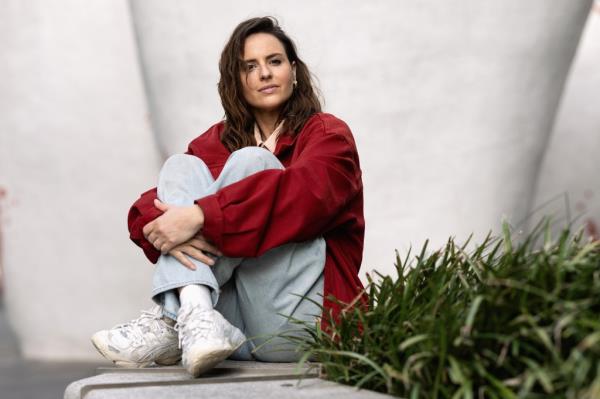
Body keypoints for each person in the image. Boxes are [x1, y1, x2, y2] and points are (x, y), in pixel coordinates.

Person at [91, 16, 365, 377]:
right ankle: (192, 311)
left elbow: (305, 195)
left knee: (253, 162)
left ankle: (171, 316)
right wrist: (165, 223)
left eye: (275, 61)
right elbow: (149, 205)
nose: (265, 73)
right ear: (237, 81)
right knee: (181, 166)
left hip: (293, 325)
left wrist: (201, 216)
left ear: (294, 71)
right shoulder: (216, 141)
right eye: (249, 67)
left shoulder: (329, 135)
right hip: (226, 328)